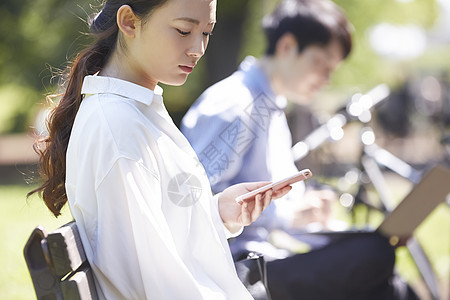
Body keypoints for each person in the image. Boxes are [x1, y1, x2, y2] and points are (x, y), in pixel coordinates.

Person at [27, 0, 293, 299]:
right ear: (129, 22)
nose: (198, 48)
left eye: (206, 33)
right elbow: (154, 281)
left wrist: (219, 213)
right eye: (183, 30)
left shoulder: (137, 110)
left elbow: (155, 243)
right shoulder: (118, 125)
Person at [181, 0, 419, 299]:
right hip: (238, 271)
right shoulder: (237, 106)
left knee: (394, 287)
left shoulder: (270, 107)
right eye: (322, 65)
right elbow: (189, 206)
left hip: (268, 257)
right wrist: (288, 216)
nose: (326, 79)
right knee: (375, 253)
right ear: (288, 46)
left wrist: (307, 211)